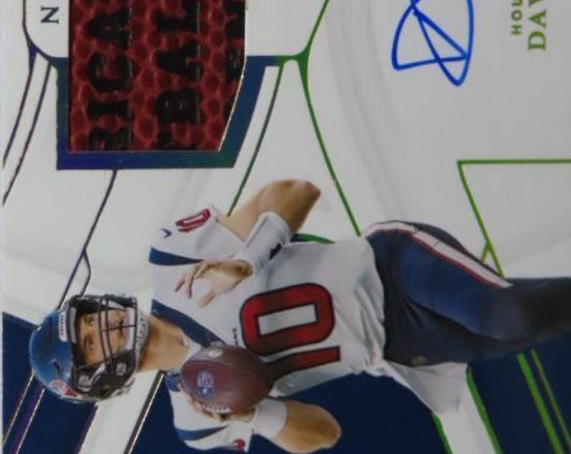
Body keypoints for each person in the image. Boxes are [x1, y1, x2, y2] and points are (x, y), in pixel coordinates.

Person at [29, 179, 571, 453]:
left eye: (88, 319)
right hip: (401, 348)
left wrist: (245, 260)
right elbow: (324, 434)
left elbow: (297, 191)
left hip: (392, 266)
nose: (101, 327)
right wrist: (251, 414)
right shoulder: (195, 419)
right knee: (543, 317)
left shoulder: (173, 261)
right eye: (89, 344)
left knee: (510, 315)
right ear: (100, 381)